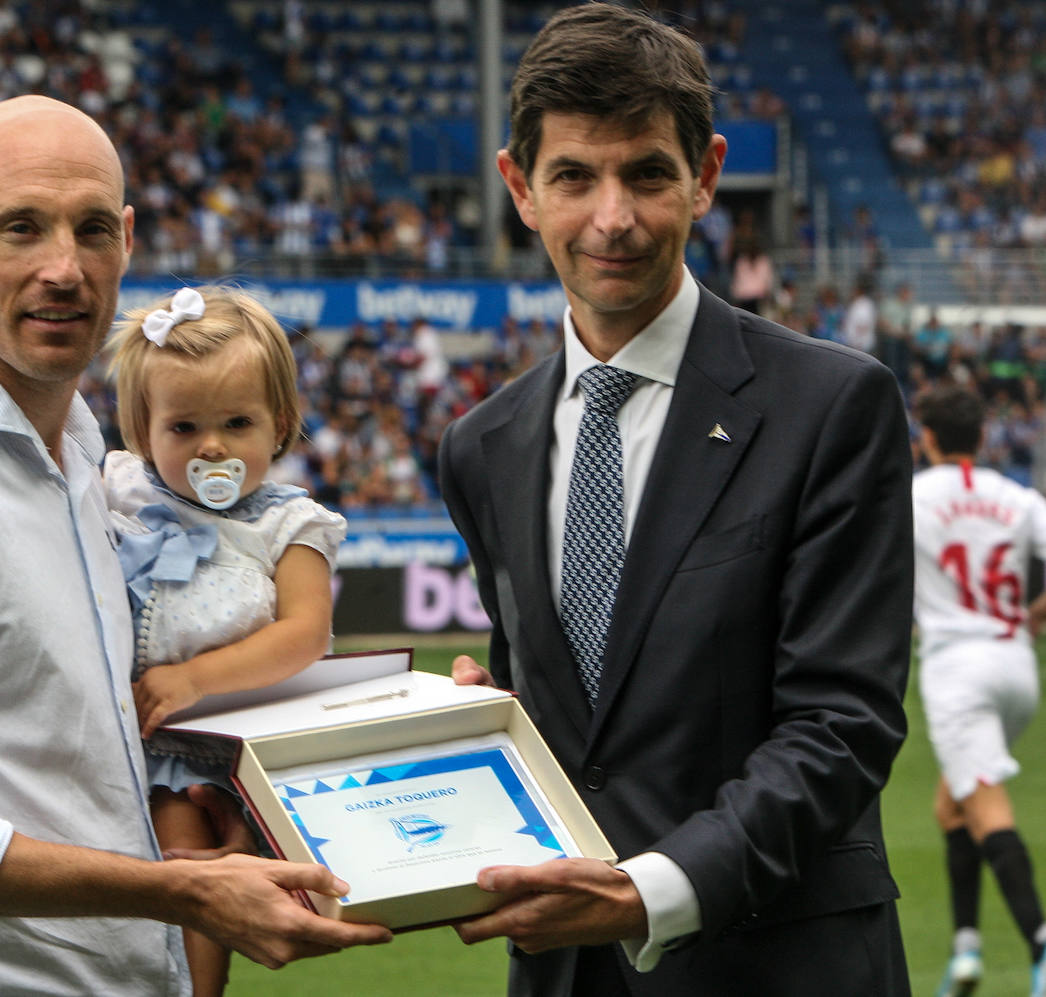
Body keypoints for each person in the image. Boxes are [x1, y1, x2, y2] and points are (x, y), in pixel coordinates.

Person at [0, 95, 389, 996]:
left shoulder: (87, 455)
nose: (64, 268)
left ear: (129, 241)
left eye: (92, 229)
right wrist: (179, 891)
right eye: (21, 227)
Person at [437, 6, 913, 995]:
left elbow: (842, 722)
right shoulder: (480, 447)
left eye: (647, 173)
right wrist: (491, 728)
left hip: (780, 965)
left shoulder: (832, 405)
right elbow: (580, 720)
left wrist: (647, 892)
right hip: (567, 972)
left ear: (704, 176)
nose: (614, 217)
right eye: (574, 177)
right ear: (521, 188)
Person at [103, 284, 347, 996]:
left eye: (236, 422)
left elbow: (304, 633)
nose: (212, 446)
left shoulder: (287, 524)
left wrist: (195, 678)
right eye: (184, 428)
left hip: (213, 749)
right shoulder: (120, 493)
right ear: (143, 431)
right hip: (113, 742)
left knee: (194, 879)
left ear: (279, 425)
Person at [911, 385, 1046, 997]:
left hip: (956, 669)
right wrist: (1037, 612)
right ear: (984, 439)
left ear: (927, 439)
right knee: (952, 805)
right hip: (1017, 665)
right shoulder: (1016, 497)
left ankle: (1041, 944)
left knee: (987, 807)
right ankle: (966, 948)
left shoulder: (912, 497)